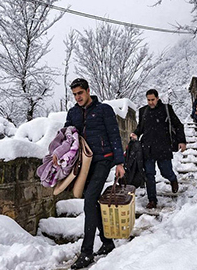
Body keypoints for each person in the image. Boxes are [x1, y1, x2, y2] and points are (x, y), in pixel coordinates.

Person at [64, 78, 125, 269]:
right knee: (92, 201)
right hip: (85, 161)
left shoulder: (103, 110)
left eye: (80, 93)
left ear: (88, 91)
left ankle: (87, 252)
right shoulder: (73, 112)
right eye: (74, 94)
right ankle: (107, 242)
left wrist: (120, 163)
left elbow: (114, 134)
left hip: (103, 158)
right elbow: (67, 135)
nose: (78, 97)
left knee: (89, 199)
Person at [130, 89, 186, 209]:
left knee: (165, 171)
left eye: (152, 100)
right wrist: (135, 133)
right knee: (149, 175)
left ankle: (172, 179)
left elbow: (178, 125)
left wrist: (182, 141)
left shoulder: (166, 109)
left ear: (157, 98)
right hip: (147, 148)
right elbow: (140, 127)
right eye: (148, 100)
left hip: (163, 147)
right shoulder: (143, 111)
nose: (150, 102)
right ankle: (152, 200)